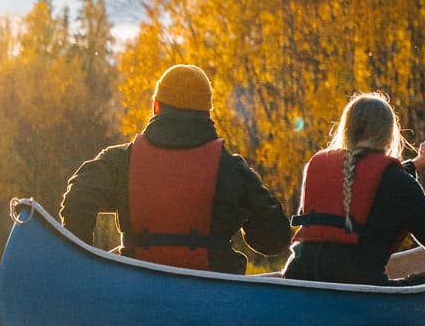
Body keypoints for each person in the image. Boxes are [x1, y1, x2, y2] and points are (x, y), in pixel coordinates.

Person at [59, 63, 290, 273]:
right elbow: (275, 240)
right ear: (207, 113)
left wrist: (84, 264)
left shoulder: (120, 161)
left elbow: (77, 199)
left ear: (156, 107)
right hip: (213, 299)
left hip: (134, 293)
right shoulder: (233, 170)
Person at [285, 91, 425, 300]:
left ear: (346, 129)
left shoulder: (317, 167)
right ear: (389, 133)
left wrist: (419, 161)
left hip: (298, 276)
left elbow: (367, 181)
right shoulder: (400, 183)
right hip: (356, 286)